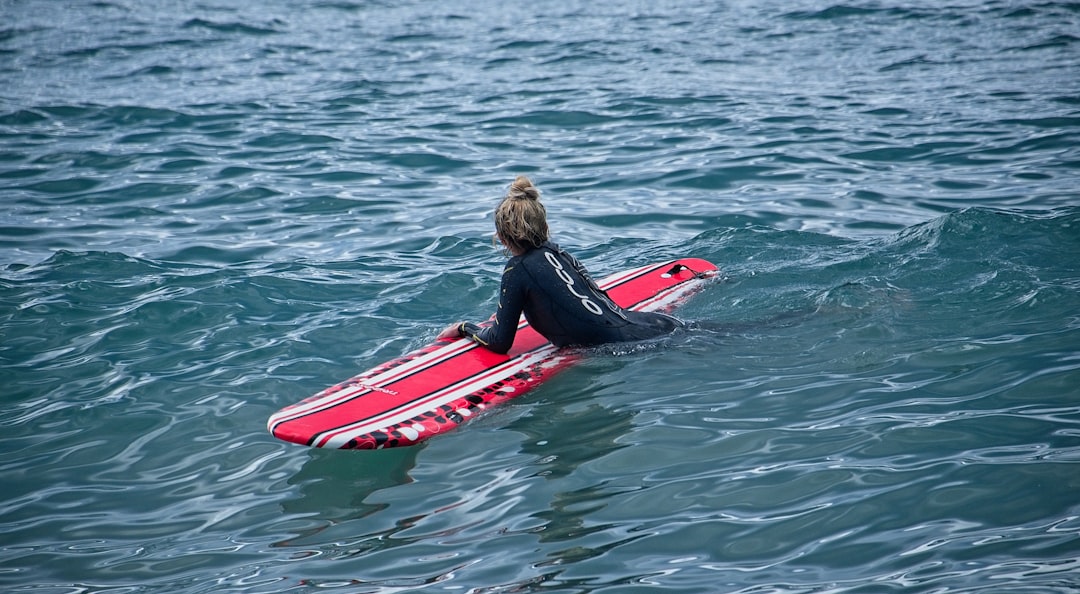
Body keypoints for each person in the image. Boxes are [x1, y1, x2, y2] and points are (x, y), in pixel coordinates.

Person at [438, 176, 683, 354]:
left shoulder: (516, 270)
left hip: (625, 348)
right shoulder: (559, 254)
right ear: (543, 225)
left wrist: (463, 328)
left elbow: (499, 342)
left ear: (501, 238)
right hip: (654, 325)